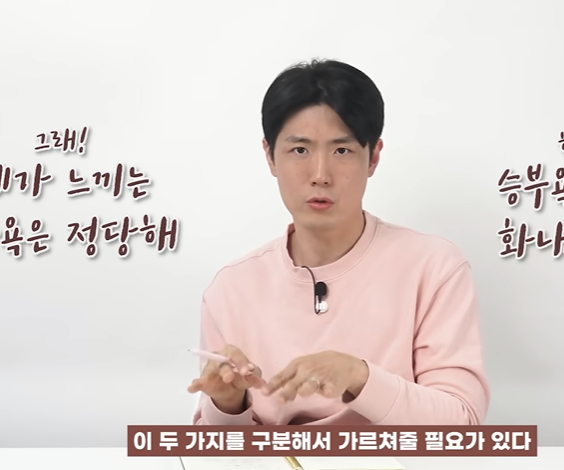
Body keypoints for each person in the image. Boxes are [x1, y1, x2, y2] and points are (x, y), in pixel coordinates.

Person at [187, 58, 489, 426]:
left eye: (341, 150)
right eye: (300, 150)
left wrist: (360, 377)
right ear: (270, 156)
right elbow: (213, 448)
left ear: (373, 157)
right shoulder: (231, 289)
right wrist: (227, 405)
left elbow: (462, 424)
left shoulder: (435, 267)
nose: (320, 175)